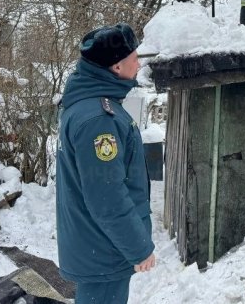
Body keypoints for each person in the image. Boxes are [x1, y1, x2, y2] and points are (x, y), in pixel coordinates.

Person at [56, 23, 155, 304]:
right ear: (116, 68)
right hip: (103, 250)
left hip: (97, 247)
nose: (138, 63)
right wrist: (139, 248)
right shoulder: (99, 119)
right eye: (134, 58)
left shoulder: (88, 105)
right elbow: (106, 197)